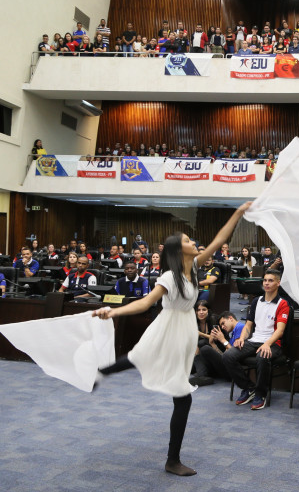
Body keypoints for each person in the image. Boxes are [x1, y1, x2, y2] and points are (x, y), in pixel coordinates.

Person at [94, 203, 250, 477]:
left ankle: (100, 372)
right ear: (179, 250)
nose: (195, 243)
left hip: (184, 329)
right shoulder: (169, 275)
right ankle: (172, 460)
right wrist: (114, 311)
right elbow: (145, 303)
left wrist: (239, 213)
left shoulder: (196, 268)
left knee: (139, 361)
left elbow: (220, 239)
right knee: (162, 379)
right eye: (189, 241)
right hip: (167, 327)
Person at [222, 268, 290, 410]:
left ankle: (260, 394)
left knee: (262, 356)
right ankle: (249, 388)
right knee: (228, 355)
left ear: (278, 283)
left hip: (273, 343)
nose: (266, 283)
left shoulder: (283, 304)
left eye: (270, 280)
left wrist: (267, 344)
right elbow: (248, 325)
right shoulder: (256, 301)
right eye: (265, 280)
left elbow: (280, 330)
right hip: (254, 340)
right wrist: (241, 338)